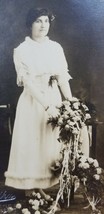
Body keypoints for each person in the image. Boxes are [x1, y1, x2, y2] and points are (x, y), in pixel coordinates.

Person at [4, 8, 72, 200]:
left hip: (54, 98)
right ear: (30, 24)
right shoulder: (22, 50)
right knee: (31, 144)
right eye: (38, 21)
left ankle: (39, 187)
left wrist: (70, 102)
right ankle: (30, 189)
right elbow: (29, 84)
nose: (43, 25)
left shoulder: (56, 48)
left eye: (46, 21)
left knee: (47, 144)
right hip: (33, 102)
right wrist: (46, 106)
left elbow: (62, 77)